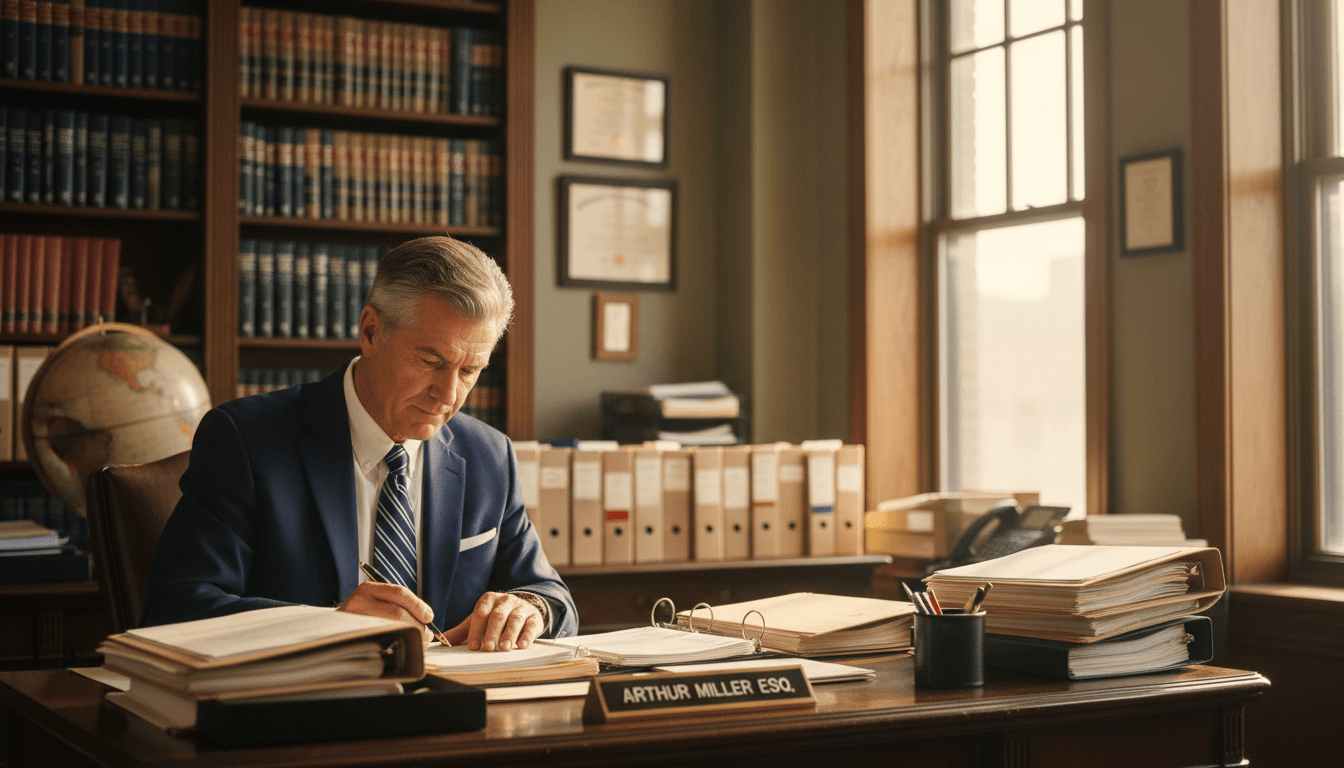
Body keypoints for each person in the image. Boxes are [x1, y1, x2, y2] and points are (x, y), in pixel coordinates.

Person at [143, 236, 577, 651]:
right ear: (371, 331)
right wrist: (331, 626)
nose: (447, 396)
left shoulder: (489, 455)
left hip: (455, 711)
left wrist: (530, 608)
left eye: (470, 371)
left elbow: (552, 595)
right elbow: (176, 609)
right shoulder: (246, 440)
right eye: (431, 361)